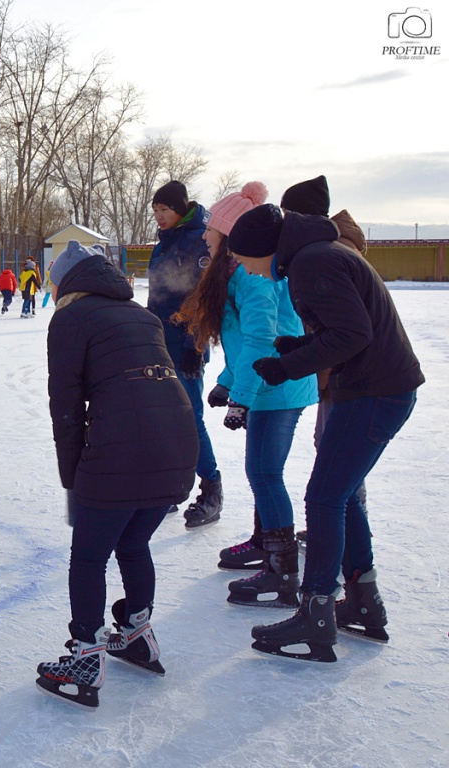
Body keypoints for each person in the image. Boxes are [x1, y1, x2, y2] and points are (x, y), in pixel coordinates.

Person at [228, 203, 422, 661]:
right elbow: (349, 328)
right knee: (342, 494)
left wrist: (289, 365)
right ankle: (363, 602)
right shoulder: (318, 254)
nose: (245, 269)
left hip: (375, 391)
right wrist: (301, 345)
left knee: (325, 497)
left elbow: (353, 335)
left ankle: (316, 614)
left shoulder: (313, 262)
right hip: (378, 387)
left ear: (262, 248)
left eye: (243, 259)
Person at [36, 241, 199, 708]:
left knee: (88, 557)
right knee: (132, 543)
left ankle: (86, 657)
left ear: (65, 283)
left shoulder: (70, 318)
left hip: (122, 451)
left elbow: (66, 407)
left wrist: (73, 478)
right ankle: (136, 634)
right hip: (177, 446)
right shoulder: (142, 316)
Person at [174, 183, 319, 608]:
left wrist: (241, 395)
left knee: (265, 473)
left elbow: (261, 338)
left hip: (277, 387)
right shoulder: (235, 272)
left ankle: (282, 571)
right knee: (262, 472)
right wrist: (227, 380)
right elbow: (240, 342)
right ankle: (265, 545)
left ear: (230, 233)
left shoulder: (254, 277)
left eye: (211, 228)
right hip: (266, 384)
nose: (205, 234)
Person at [280, 175, 371, 549]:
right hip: (336, 370)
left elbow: (345, 328)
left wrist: (316, 368)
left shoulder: (327, 251)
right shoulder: (329, 246)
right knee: (331, 448)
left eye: (287, 213)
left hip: (345, 373)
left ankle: (344, 530)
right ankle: (342, 526)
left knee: (339, 456)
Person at [148, 180, 222, 528]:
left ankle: (211, 488)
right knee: (165, 419)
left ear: (180, 208)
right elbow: (158, 297)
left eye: (164, 209)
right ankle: (172, 487)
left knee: (190, 418)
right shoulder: (163, 243)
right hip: (160, 342)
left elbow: (204, 298)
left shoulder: (198, 241)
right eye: (155, 210)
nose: (159, 216)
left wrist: (196, 345)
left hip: (187, 345)